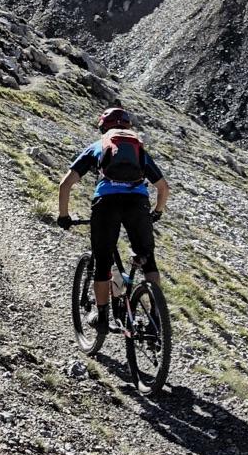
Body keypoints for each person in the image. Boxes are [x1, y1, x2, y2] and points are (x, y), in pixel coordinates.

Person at [56, 107, 168, 331]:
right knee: (149, 262)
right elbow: (163, 188)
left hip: (106, 204)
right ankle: (156, 319)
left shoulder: (97, 147)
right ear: (128, 128)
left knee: (103, 263)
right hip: (138, 204)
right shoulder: (139, 150)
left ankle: (102, 317)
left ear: (103, 128)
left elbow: (65, 185)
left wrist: (64, 216)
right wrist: (156, 212)